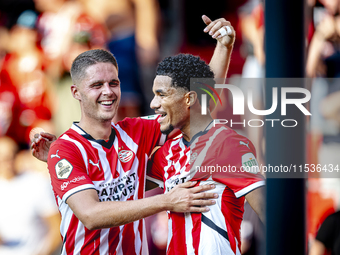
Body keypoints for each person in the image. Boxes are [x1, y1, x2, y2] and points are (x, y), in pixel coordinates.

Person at [31, 15, 235, 255]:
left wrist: (224, 46)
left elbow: (198, 107)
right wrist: (167, 200)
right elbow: (90, 215)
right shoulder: (65, 149)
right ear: (76, 92)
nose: (108, 92)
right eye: (96, 85)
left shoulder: (136, 132)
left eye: (113, 83)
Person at [146, 44, 265, 255]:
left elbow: (270, 213)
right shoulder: (167, 152)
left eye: (162, 95)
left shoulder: (228, 145)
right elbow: (126, 185)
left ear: (189, 99)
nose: (154, 103)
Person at [0, 136, 61, 255]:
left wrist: (44, 253)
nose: (7, 162)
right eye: (2, 158)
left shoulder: (37, 183)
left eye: (9, 157)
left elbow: (57, 226)